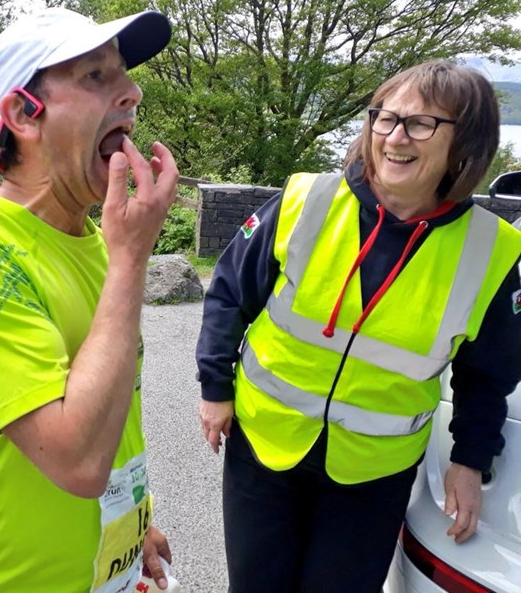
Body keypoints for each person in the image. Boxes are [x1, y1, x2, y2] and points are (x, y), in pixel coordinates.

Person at [196, 59, 521, 591]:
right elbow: (230, 292)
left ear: (466, 142)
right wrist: (214, 387)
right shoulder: (309, 199)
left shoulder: (493, 251)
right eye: (384, 117)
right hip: (264, 444)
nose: (394, 136)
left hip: (374, 474)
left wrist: (469, 460)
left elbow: (489, 374)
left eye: (420, 124)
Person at [0, 7, 179, 592]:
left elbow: (114, 407)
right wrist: (133, 259)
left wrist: (138, 518)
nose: (132, 92)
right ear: (23, 115)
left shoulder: (99, 243)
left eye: (124, 75)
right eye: (95, 77)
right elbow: (77, 460)